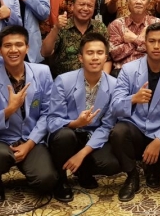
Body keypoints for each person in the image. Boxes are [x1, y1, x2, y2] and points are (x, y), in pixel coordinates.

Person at [0, 25, 57, 203]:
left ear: (27, 48)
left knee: (47, 181)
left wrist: (30, 144)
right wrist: (8, 111)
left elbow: (48, 113)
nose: (14, 50)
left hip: (31, 138)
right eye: (7, 45)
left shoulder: (42, 72)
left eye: (19, 45)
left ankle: (30, 166)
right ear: (0, 50)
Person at [108, 23, 160, 201]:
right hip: (135, 130)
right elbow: (115, 107)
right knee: (118, 132)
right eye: (152, 41)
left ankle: (153, 169)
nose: (156, 46)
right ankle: (132, 175)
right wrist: (133, 99)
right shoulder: (128, 70)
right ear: (144, 43)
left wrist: (158, 141)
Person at [47, 33, 120, 201]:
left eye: (100, 53)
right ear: (81, 57)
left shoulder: (114, 85)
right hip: (67, 133)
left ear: (106, 57)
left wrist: (82, 154)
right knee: (65, 136)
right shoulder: (63, 81)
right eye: (90, 53)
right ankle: (61, 179)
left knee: (112, 165)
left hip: (91, 136)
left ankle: (83, 169)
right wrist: (75, 123)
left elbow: (107, 125)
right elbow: (52, 121)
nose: (95, 57)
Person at [42, 0, 110, 78]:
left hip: (93, 79)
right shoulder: (62, 26)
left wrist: (103, 80)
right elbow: (45, 52)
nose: (85, 8)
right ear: (72, 6)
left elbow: (107, 59)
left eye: (90, 6)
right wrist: (56, 28)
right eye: (81, 4)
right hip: (65, 80)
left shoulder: (100, 27)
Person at [108, 0, 160, 74]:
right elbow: (115, 54)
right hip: (122, 72)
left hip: (150, 72)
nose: (138, 1)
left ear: (148, 3)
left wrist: (134, 39)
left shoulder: (158, 24)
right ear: (127, 2)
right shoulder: (116, 25)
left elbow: (159, 51)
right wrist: (142, 41)